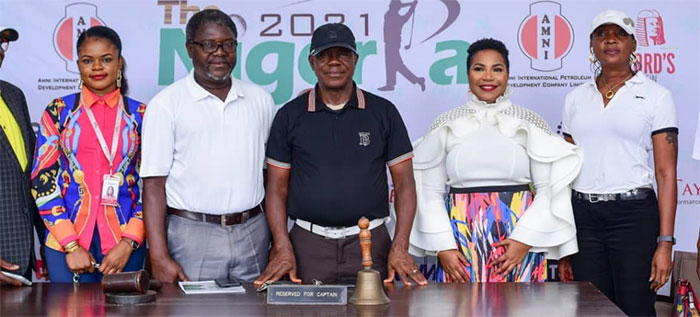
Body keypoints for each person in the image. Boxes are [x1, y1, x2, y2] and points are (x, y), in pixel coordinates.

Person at [255, 23, 427, 286]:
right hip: (308, 246)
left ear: (355, 59)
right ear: (312, 62)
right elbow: (276, 189)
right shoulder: (290, 115)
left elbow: (404, 183)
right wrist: (281, 245)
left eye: (342, 54)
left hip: (371, 242)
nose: (334, 62)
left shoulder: (383, 112)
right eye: (324, 55)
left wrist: (400, 245)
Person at [409, 38, 582, 283]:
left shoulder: (529, 121)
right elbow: (430, 191)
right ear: (468, 74)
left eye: (497, 69)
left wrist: (524, 240)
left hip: (519, 239)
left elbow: (549, 190)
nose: (488, 77)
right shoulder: (446, 123)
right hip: (460, 240)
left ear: (508, 74)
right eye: (479, 68)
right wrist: (443, 247)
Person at [141, 9, 276, 283]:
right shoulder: (166, 105)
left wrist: (276, 239)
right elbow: (154, 185)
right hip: (192, 234)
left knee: (252, 311)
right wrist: (158, 255)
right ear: (191, 49)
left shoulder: (260, 100)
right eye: (209, 45)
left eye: (228, 44)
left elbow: (270, 175)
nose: (220, 53)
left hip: (252, 231)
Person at [559, 10, 678, 316]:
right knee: (590, 308)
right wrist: (562, 242)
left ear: (633, 44)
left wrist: (665, 243)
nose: (610, 40)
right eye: (601, 34)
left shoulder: (656, 96)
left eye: (619, 34)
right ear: (592, 44)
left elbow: (666, 175)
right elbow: (565, 171)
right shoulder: (575, 98)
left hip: (633, 217)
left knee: (636, 307)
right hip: (583, 218)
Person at [30, 26, 146, 282]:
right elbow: (42, 180)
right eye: (87, 60)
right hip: (65, 246)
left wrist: (129, 241)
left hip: (126, 245)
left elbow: (155, 185)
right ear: (78, 64)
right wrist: (70, 244)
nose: (97, 67)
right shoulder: (59, 112)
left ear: (120, 62)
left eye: (106, 59)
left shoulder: (140, 115)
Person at [0, 26, 46, 285]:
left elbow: (32, 177)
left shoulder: (13, 95)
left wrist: (47, 247)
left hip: (20, 261)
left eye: (1, 44)